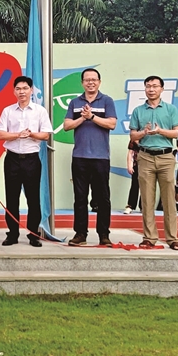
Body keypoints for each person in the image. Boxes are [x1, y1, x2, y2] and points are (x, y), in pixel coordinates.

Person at [0, 76, 54, 247]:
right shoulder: (8, 111)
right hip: (12, 158)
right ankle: (12, 234)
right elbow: (0, 134)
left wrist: (31, 134)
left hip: (31, 160)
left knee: (33, 198)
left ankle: (33, 234)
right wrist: (17, 135)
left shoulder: (39, 111)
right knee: (11, 198)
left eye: (25, 88)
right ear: (14, 91)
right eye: (18, 89)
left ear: (31, 90)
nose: (22, 92)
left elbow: (45, 135)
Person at [129, 76, 178, 250]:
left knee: (169, 199)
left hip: (166, 157)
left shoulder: (170, 109)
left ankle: (173, 238)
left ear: (162, 89)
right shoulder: (138, 110)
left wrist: (160, 130)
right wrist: (143, 133)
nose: (151, 89)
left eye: (154, 86)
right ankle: (149, 237)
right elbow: (133, 135)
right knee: (147, 199)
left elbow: (177, 134)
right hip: (145, 156)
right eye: (148, 86)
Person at [64, 68, 117, 247]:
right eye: (87, 80)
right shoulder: (75, 102)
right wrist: (83, 118)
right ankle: (80, 234)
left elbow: (112, 123)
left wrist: (92, 116)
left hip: (101, 157)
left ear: (99, 82)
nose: (90, 82)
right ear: (82, 83)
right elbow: (66, 125)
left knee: (102, 197)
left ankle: (104, 234)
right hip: (80, 156)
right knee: (80, 197)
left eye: (94, 79)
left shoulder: (107, 101)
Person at [123, 139, 141, 214]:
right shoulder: (134, 138)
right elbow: (130, 153)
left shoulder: (151, 137)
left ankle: (144, 206)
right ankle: (130, 205)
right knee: (134, 185)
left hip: (149, 165)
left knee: (148, 186)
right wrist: (129, 165)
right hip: (137, 165)